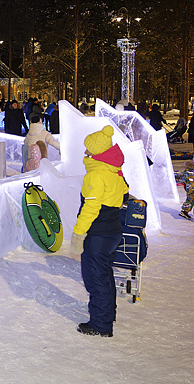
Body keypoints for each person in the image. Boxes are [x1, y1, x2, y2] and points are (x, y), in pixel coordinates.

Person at [70, 126, 129, 338]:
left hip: (97, 236)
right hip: (113, 232)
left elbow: (90, 209)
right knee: (104, 276)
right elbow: (124, 197)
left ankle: (100, 325)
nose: (85, 153)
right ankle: (107, 315)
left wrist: (78, 235)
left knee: (95, 279)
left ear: (96, 153)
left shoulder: (96, 175)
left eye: (88, 150)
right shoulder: (115, 172)